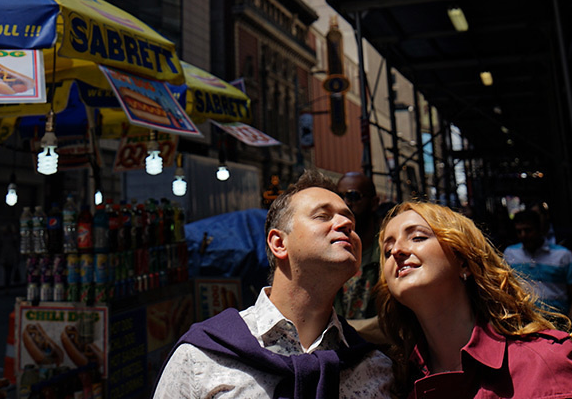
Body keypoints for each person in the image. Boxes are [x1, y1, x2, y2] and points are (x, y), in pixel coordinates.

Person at [153, 170, 393, 399]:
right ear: (279, 243)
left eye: (349, 218)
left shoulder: (376, 369)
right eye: (322, 216)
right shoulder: (200, 359)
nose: (346, 224)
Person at [375, 201, 572, 399]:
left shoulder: (547, 362)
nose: (397, 251)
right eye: (387, 251)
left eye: (417, 237)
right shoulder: (394, 383)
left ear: (463, 261)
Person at [503, 209, 572, 320]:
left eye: (528, 230)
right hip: (524, 321)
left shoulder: (563, 255)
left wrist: (569, 322)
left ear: (539, 229)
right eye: (519, 231)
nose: (523, 235)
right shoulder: (510, 254)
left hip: (556, 320)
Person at [334, 172, 380, 321]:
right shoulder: (329, 251)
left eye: (353, 196)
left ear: (374, 203)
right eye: (339, 197)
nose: (345, 203)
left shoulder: (388, 252)